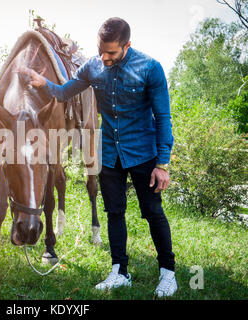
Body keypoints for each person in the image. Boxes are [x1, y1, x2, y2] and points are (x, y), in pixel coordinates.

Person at [24, 17, 177, 297]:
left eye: (112, 53)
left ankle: (168, 273)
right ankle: (120, 271)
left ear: (127, 45)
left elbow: (163, 117)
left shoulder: (150, 68)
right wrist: (42, 82)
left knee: (153, 212)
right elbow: (63, 92)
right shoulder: (93, 66)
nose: (105, 58)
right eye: (101, 51)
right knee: (114, 213)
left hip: (143, 152)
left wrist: (162, 164)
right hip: (109, 154)